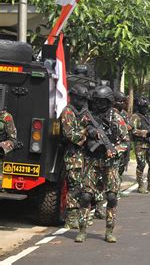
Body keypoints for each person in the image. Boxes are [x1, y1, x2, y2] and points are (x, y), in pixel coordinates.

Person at [75, 85, 129, 243]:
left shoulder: (116, 119)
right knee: (85, 196)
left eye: (102, 102)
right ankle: (82, 230)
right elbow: (75, 136)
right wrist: (88, 132)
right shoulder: (88, 117)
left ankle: (109, 231)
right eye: (97, 101)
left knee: (112, 197)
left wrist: (115, 150)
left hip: (110, 162)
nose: (98, 105)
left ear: (109, 102)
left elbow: (126, 142)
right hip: (92, 160)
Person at [60, 84, 89, 229]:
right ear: (74, 97)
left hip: (83, 155)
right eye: (81, 99)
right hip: (73, 155)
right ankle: (71, 218)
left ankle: (79, 215)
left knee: (83, 186)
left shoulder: (82, 112)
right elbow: (69, 135)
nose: (83, 102)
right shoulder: (68, 112)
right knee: (74, 186)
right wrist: (86, 134)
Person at [130, 96, 150, 194]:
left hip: (149, 144)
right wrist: (146, 132)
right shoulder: (135, 117)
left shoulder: (148, 117)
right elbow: (132, 130)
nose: (146, 109)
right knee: (141, 165)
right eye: (144, 107)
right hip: (140, 144)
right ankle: (141, 186)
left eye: (147, 107)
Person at [114, 92, 132, 189]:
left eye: (123, 101)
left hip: (124, 144)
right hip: (116, 145)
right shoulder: (112, 114)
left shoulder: (124, 114)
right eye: (120, 101)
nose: (123, 103)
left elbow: (130, 126)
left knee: (122, 166)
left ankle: (118, 187)